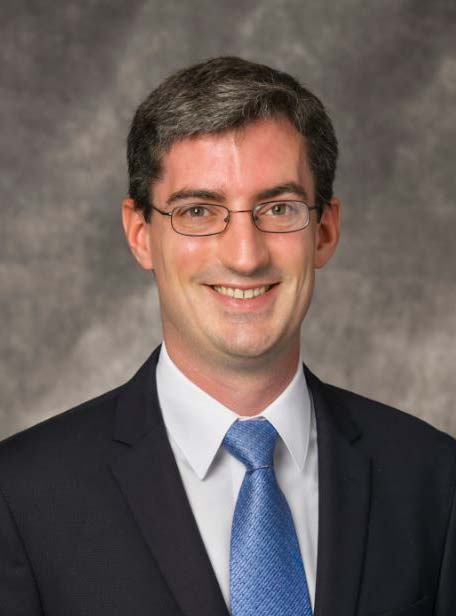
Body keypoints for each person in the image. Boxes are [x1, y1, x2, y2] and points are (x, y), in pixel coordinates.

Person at [0, 57, 454, 616]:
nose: (245, 256)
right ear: (140, 234)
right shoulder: (20, 497)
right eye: (198, 210)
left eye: (278, 208)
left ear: (325, 230)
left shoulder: (434, 480)